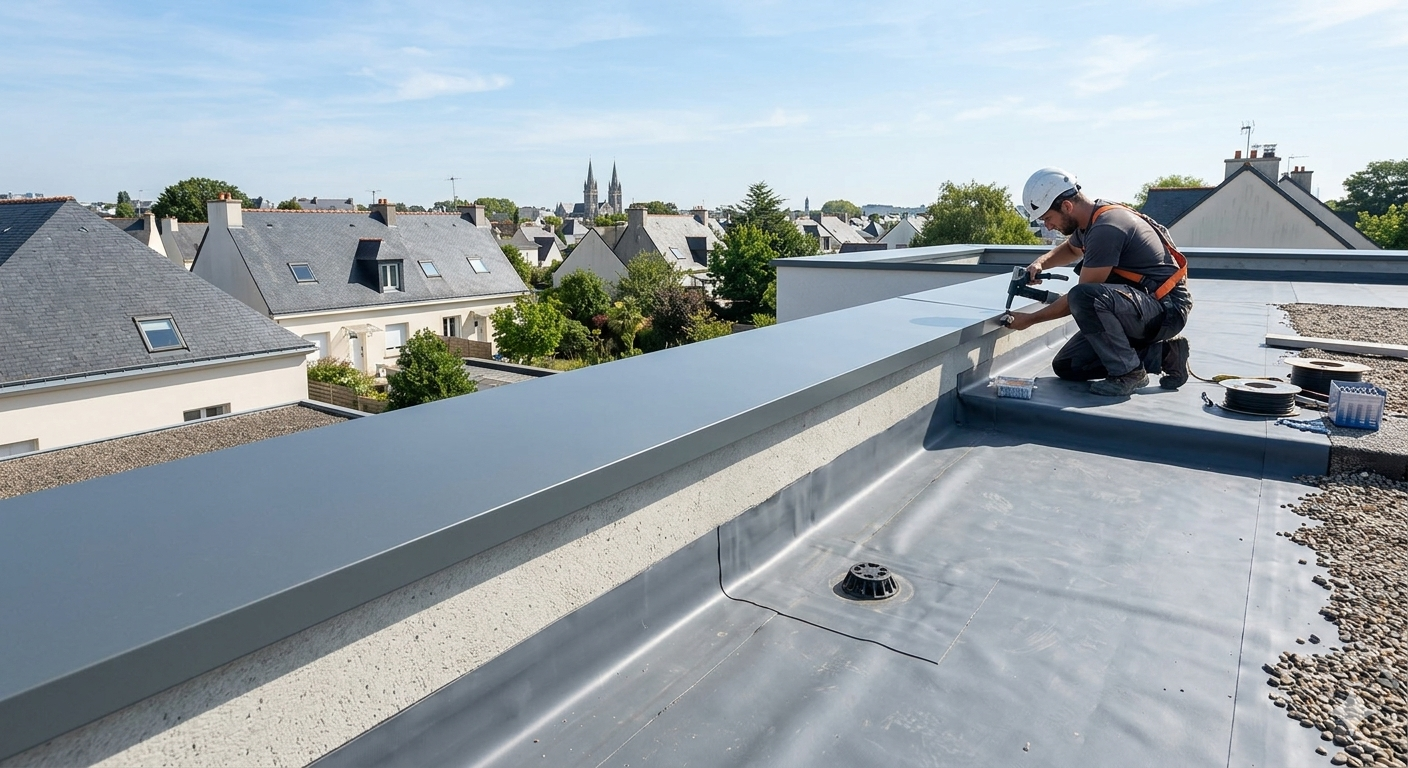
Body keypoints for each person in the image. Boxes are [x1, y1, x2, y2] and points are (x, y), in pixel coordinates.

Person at [1003, 168, 1193, 396]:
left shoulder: (1107, 227)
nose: (1048, 227)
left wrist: (1031, 319)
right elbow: (1072, 248)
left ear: (1066, 206)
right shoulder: (1090, 220)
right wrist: (1040, 263)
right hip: (1142, 306)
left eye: (1048, 219)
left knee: (1084, 296)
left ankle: (1129, 373)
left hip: (1166, 310)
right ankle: (1166, 355)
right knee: (1068, 365)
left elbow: (1081, 297)